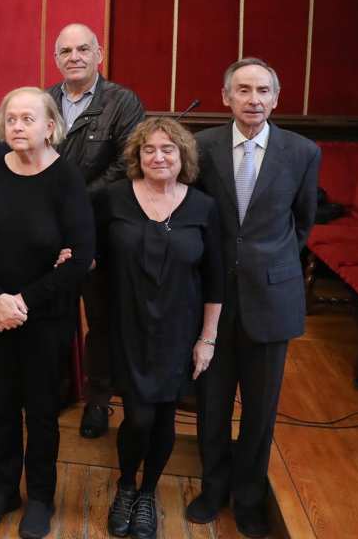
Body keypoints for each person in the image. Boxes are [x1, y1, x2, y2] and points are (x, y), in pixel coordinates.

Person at [186, 58, 320, 538]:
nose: (253, 99)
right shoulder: (202, 147)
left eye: (263, 90)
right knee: (213, 403)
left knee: (260, 410)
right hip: (214, 298)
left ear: (276, 98)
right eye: (243, 90)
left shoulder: (302, 152)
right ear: (226, 97)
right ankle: (211, 489)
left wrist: (268, 264)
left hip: (272, 297)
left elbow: (302, 224)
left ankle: (248, 498)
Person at [0, 87, 94, 539]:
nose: (19, 126)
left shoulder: (66, 178)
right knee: (1, 407)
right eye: (12, 119)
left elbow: (81, 256)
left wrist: (24, 302)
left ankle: (39, 496)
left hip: (44, 318)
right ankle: (4, 489)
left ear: (50, 126)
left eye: (28, 119)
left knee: (40, 411)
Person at [96, 118, 223, 539]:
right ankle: (126, 486)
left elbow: (216, 280)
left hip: (179, 330)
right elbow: (90, 257)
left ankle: (148, 493)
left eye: (168, 149)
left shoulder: (203, 207)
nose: (158, 156)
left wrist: (207, 338)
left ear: (183, 156)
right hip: (126, 325)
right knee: (137, 417)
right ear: (136, 156)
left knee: (164, 419)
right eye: (148, 149)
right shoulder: (113, 199)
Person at [46, 23, 144, 440]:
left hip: (100, 228)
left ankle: (99, 401)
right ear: (56, 58)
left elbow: (127, 165)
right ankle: (58, 388)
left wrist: (74, 201)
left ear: (98, 54)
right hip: (47, 229)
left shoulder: (122, 101)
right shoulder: (43, 100)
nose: (74, 57)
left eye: (83, 49)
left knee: (101, 319)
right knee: (52, 313)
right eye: (65, 51)